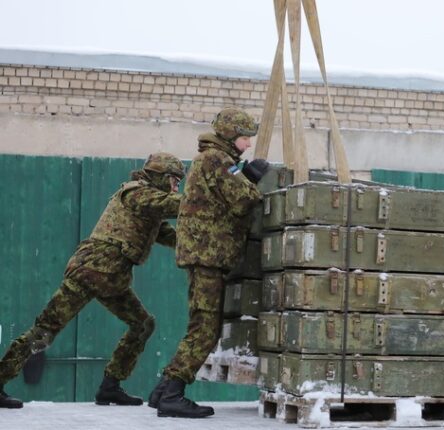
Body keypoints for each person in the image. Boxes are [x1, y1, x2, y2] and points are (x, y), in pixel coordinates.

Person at [0, 153, 185, 409]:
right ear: (160, 176)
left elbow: (172, 236)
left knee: (143, 324)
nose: (176, 188)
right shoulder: (137, 194)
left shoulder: (149, 208)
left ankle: (110, 387)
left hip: (113, 277)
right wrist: (209, 201)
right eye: (174, 181)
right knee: (44, 331)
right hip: (91, 270)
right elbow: (174, 205)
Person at [148, 107, 268, 419]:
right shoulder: (217, 159)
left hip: (204, 254)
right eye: (244, 138)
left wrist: (243, 176)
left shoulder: (214, 159)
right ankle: (172, 395)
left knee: (199, 325)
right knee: (205, 329)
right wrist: (252, 179)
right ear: (230, 134)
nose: (248, 144)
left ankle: (163, 390)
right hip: (208, 255)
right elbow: (242, 199)